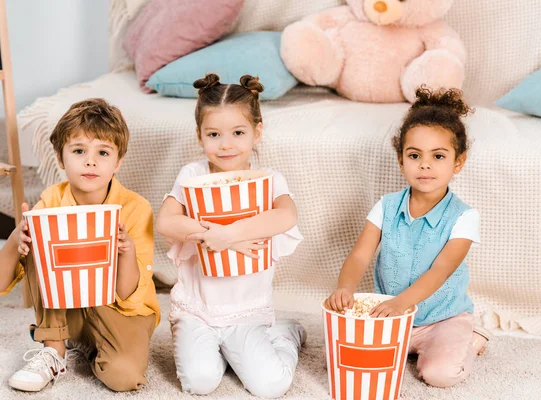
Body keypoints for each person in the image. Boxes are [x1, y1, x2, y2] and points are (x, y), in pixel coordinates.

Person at [0, 98, 160, 392]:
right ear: (60, 157)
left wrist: (126, 251)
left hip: (121, 310)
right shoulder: (50, 202)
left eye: (103, 152)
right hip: (70, 308)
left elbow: (127, 294)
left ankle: (90, 344)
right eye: (79, 151)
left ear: (118, 162)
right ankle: (54, 347)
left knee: (124, 378)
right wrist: (18, 238)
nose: (90, 161)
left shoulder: (136, 209)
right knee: (38, 232)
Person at [327, 87, 490, 388]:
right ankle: (409, 345)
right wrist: (345, 287)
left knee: (438, 374)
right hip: (393, 315)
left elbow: (441, 271)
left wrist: (403, 302)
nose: (425, 165)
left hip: (443, 318)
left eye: (438, 156)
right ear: (401, 160)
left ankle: (470, 340)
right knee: (347, 359)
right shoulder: (386, 206)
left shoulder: (464, 217)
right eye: (414, 155)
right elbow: (361, 255)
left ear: (458, 162)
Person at [156, 73, 305, 398]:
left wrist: (232, 233)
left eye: (238, 132)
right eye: (214, 134)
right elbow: (166, 222)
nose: (226, 144)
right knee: (199, 382)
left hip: (246, 310)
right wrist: (216, 236)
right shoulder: (193, 175)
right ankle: (215, 351)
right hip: (198, 309)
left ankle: (284, 333)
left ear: (257, 132)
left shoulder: (268, 180)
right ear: (199, 136)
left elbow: (286, 215)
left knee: (271, 386)